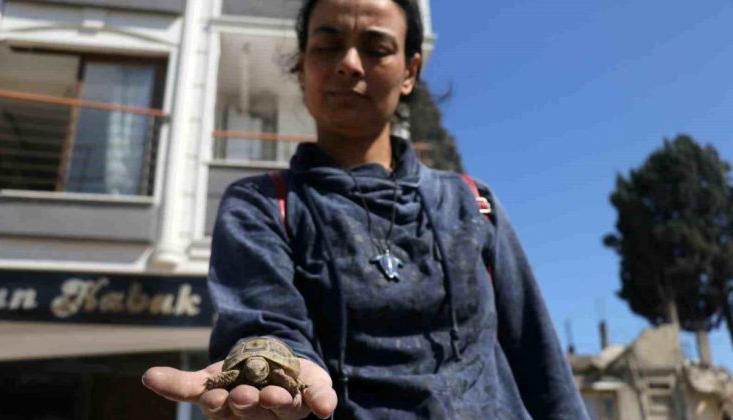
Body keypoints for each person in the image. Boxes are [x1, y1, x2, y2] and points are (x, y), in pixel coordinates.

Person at [142, 0, 589, 418]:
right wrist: (283, 366)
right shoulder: (260, 205)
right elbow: (265, 323)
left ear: (410, 71)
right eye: (327, 45)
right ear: (302, 66)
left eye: (376, 48)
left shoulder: (473, 203)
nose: (349, 64)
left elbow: (542, 363)